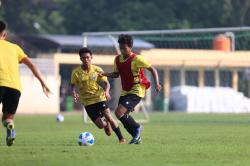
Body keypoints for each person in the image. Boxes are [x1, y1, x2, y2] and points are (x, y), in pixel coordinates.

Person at [100, 34, 162, 144]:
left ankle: (137, 127)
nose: (122, 50)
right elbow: (115, 74)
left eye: (125, 48)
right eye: (121, 48)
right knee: (120, 114)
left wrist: (157, 83)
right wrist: (104, 74)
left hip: (137, 89)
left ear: (130, 47)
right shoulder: (117, 59)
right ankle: (135, 136)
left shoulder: (137, 59)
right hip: (125, 90)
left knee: (119, 112)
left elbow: (153, 69)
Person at [0, 20, 51, 146]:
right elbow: (32, 65)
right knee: (7, 119)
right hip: (14, 87)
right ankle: (10, 126)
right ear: (4, 35)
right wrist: (42, 82)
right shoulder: (15, 48)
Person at [71, 47, 125, 144]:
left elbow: (107, 83)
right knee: (101, 126)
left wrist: (107, 92)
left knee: (109, 116)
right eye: (83, 58)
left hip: (99, 98)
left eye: (87, 57)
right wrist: (74, 93)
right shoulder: (76, 73)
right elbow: (73, 85)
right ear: (80, 59)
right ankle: (105, 123)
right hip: (88, 102)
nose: (86, 60)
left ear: (91, 57)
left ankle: (121, 138)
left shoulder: (97, 69)